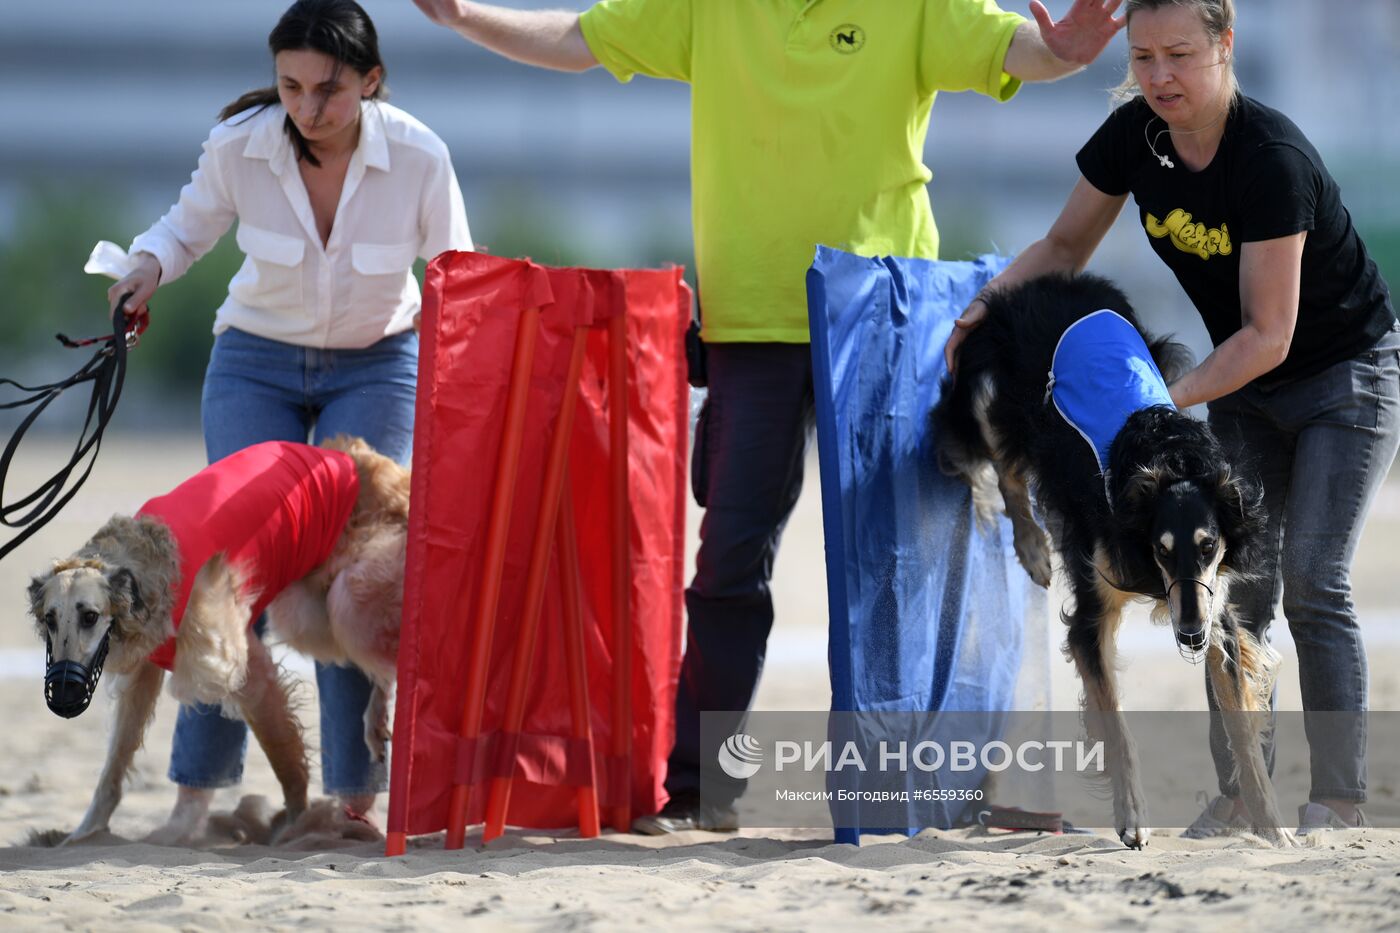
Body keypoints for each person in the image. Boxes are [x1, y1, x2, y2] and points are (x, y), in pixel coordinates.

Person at [411, 0, 1124, 833]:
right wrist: (464, 17)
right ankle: (698, 789)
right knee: (730, 561)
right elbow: (581, 39)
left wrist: (1068, 53)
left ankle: (915, 784)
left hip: (876, 323)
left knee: (900, 563)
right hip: (749, 323)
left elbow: (1015, 49)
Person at [945, 0, 1399, 836]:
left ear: (1225, 46)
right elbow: (1062, 249)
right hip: (1243, 386)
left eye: (1180, 55)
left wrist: (1155, 399)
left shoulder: (1271, 159)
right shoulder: (1136, 136)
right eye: (1143, 55)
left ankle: (1337, 797)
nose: (1158, 76)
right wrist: (983, 306)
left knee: (1314, 580)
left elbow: (1271, 333)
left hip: (1345, 377)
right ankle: (1242, 797)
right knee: (1234, 590)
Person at [107, 0, 472, 843]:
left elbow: (459, 273)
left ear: (371, 82)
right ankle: (197, 799)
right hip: (254, 362)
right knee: (226, 576)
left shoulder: (421, 155)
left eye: (329, 90)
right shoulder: (240, 146)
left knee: (353, 580)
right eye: (290, 87)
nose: (306, 108)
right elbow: (184, 228)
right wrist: (142, 272)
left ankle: (349, 799)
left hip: (379, 360)